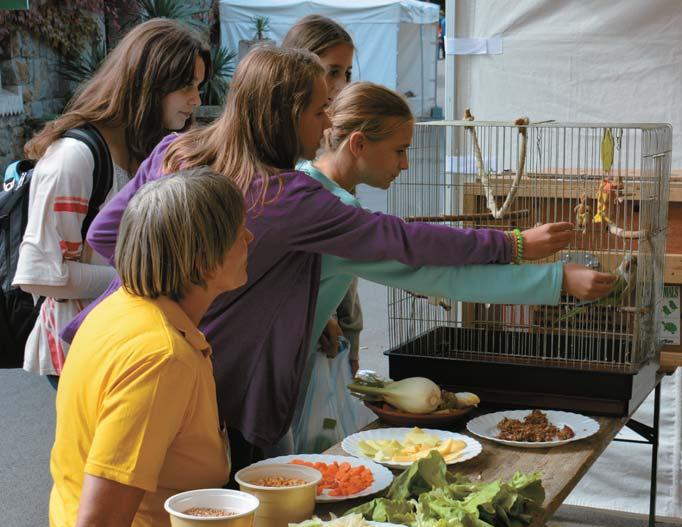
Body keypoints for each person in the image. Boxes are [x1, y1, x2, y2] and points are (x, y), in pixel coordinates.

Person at [62, 47, 608, 476]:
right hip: (213, 380)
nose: (326, 121)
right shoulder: (293, 198)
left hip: (109, 347)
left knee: (121, 487)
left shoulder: (177, 150)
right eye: (320, 107)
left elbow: (108, 234)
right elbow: (412, 251)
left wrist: (178, 288)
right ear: (286, 114)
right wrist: (517, 249)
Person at [290, 82, 616, 452]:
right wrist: (552, 275)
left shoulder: (305, 181)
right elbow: (437, 274)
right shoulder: (336, 216)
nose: (405, 164)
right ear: (359, 144)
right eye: (400, 150)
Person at [49, 168, 252, 527]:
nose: (250, 239)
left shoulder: (119, 308)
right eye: (239, 233)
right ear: (203, 263)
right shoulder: (162, 358)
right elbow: (100, 524)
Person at [12, 19, 210, 385]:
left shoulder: (148, 147)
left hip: (127, 340)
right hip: (81, 350)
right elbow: (40, 276)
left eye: (198, 86)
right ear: (149, 83)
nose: (196, 100)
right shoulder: (74, 158)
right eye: (186, 86)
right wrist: (143, 280)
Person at [282, 14, 360, 369]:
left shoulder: (331, 125)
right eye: (332, 71)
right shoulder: (285, 152)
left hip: (332, 306)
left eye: (346, 73)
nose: (341, 85)